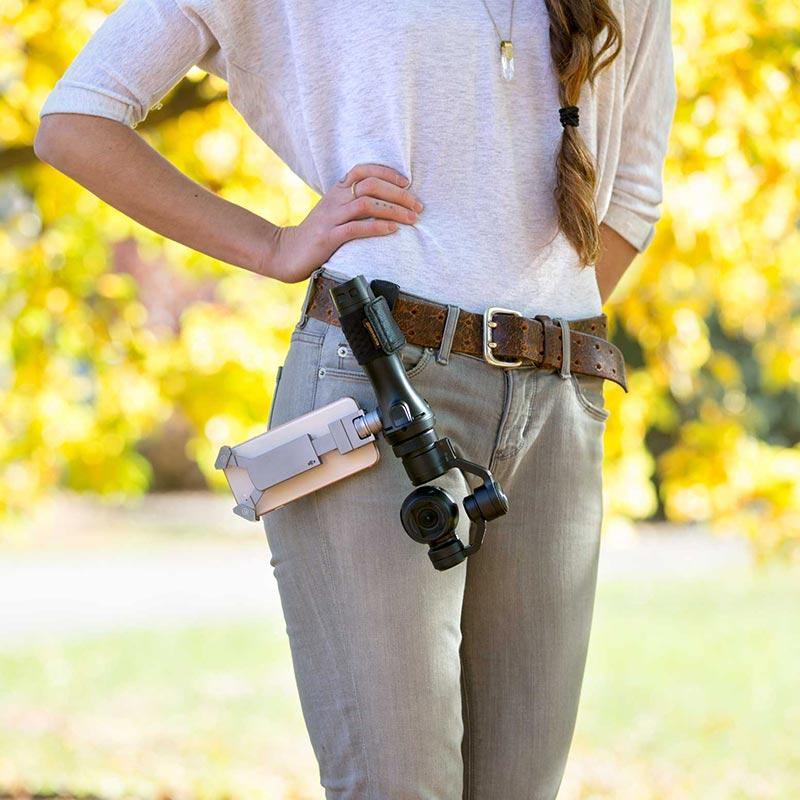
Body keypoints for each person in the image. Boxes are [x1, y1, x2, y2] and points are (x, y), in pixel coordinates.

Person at [35, 0, 677, 796]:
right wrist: (273, 246)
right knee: (396, 783)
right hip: (372, 387)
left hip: (560, 405)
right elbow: (78, 120)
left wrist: (522, 336)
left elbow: (632, 192)